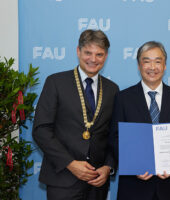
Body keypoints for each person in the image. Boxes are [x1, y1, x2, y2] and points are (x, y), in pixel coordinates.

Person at [32, 29, 119, 200]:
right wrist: (70, 164)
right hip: (62, 179)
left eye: (99, 54)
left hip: (97, 183)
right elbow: (41, 130)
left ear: (106, 56)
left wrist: (108, 167)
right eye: (88, 53)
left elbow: (115, 134)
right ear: (78, 51)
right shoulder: (55, 82)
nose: (93, 59)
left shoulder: (112, 89)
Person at [110, 41, 170, 200]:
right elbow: (114, 138)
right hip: (134, 188)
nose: (152, 67)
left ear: (165, 66)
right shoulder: (123, 98)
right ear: (139, 66)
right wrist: (134, 167)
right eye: (146, 61)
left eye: (158, 61)